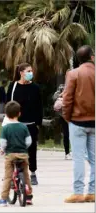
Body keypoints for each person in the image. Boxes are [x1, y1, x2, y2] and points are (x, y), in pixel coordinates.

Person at [63, 45, 95, 203]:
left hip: (77, 120)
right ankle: (93, 191)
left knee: (78, 158)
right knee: (95, 159)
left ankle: (78, 192)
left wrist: (67, 117)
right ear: (92, 57)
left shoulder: (73, 74)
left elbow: (67, 98)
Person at [5, 63, 42, 185]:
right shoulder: (13, 86)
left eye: (31, 71)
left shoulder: (35, 87)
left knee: (31, 149)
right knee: (14, 150)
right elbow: (8, 104)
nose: (31, 73)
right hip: (15, 124)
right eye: (28, 71)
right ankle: (13, 175)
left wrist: (38, 123)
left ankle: (32, 172)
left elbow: (39, 106)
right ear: (21, 73)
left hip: (31, 123)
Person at [0, 101, 33, 206]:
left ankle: (3, 199)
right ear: (19, 113)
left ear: (6, 115)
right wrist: (23, 148)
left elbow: (3, 143)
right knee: (26, 175)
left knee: (8, 176)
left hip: (10, 155)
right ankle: (28, 197)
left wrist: (2, 149)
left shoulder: (6, 128)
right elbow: (28, 142)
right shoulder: (24, 127)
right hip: (23, 154)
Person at [53, 84, 71, 160]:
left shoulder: (73, 87)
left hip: (72, 115)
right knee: (66, 134)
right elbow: (54, 99)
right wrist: (61, 94)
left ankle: (75, 152)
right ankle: (67, 153)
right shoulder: (60, 88)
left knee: (74, 135)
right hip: (63, 116)